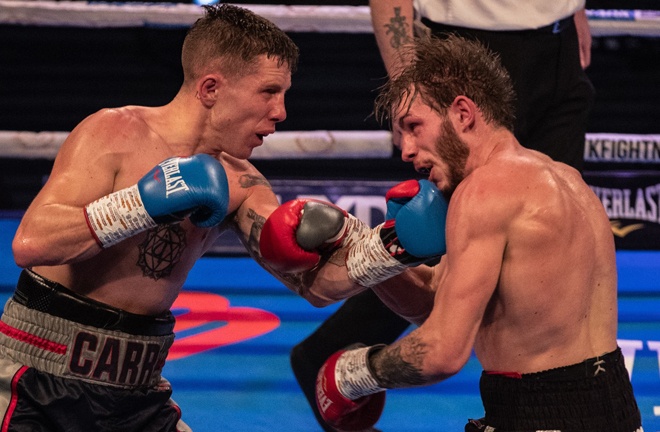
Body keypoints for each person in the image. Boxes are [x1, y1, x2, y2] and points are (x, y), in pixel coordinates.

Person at [266, 34, 642, 431]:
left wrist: (356, 372)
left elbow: (441, 352)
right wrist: (371, 251)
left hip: (538, 414)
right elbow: (433, 306)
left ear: (463, 113)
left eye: (414, 127)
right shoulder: (568, 180)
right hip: (616, 408)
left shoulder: (483, 192)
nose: (406, 149)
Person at [4, 5, 305, 430]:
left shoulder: (243, 183)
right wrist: (140, 205)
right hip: (38, 374)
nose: (281, 112)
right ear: (212, 88)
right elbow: (31, 243)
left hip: (138, 390)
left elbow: (317, 284)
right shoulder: (114, 132)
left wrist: (391, 248)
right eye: (269, 92)